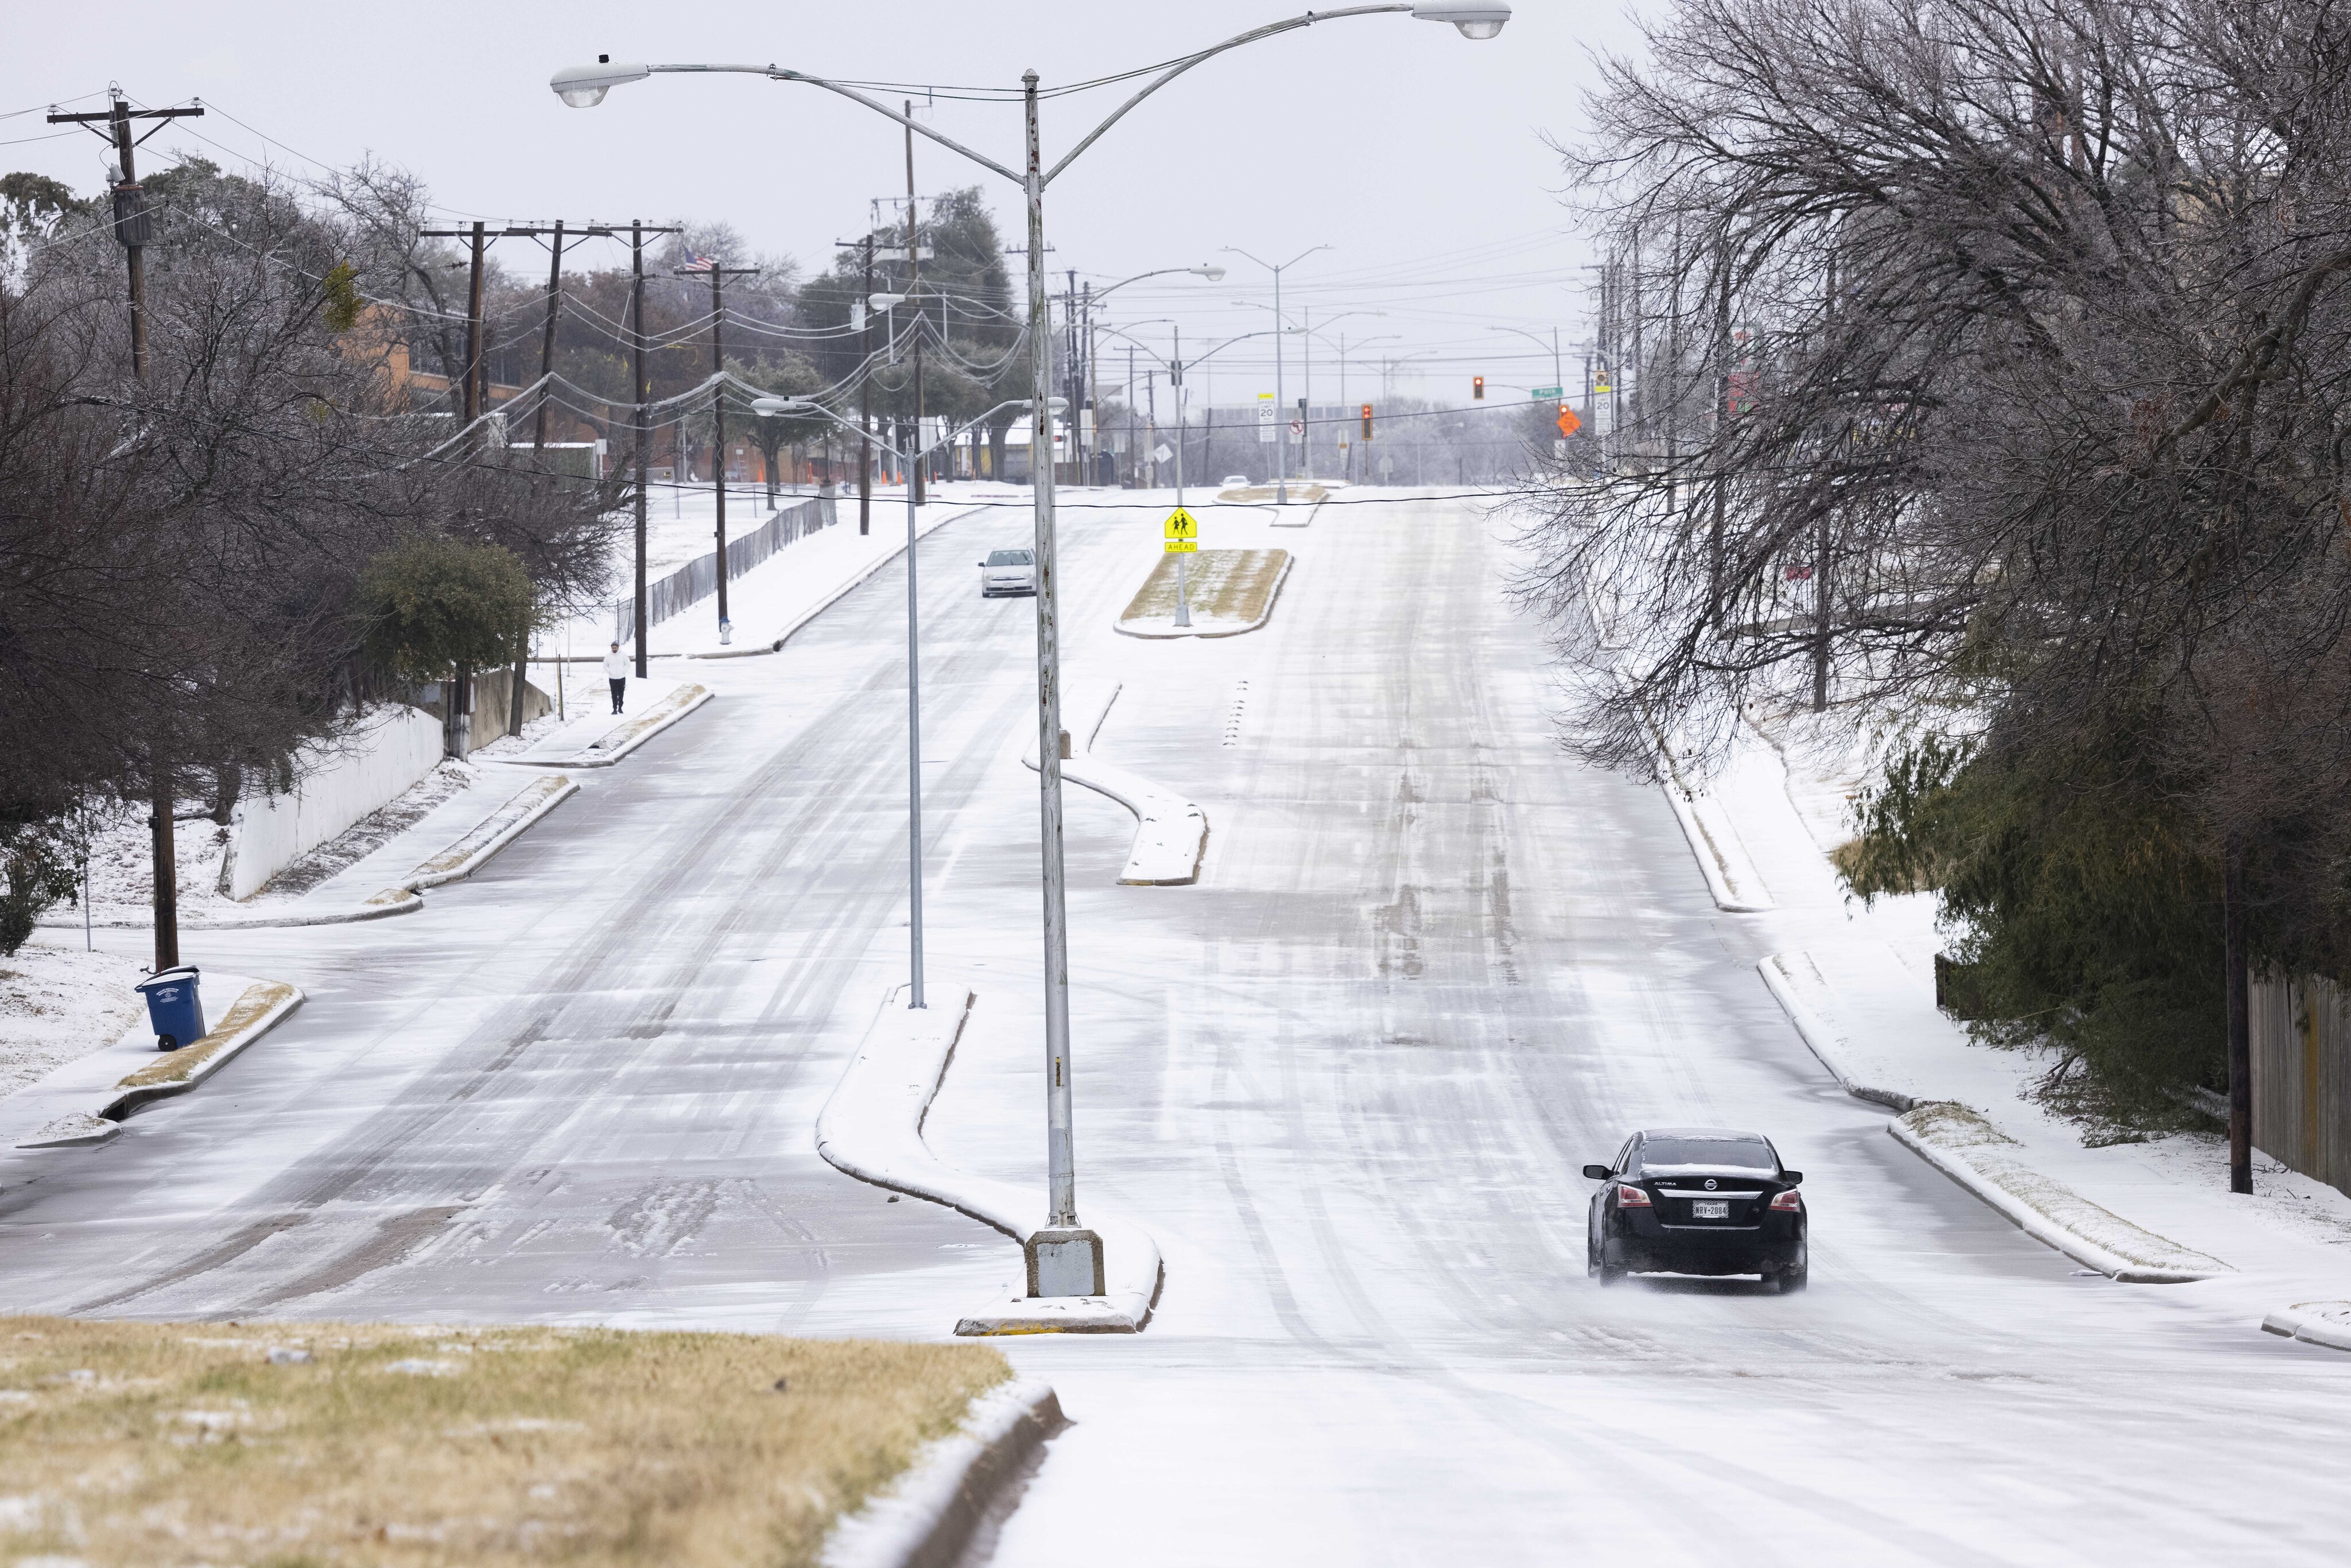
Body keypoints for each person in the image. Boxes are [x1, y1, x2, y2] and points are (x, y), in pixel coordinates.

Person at [603, 641, 629, 714]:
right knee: (614, 694)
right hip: (612, 678)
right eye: (613, 648)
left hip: (621, 677)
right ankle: (615, 709)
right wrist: (610, 671)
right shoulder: (608, 656)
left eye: (615, 648)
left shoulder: (623, 655)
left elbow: (628, 664)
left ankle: (620, 707)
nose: (614, 649)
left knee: (621, 693)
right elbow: (605, 665)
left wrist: (624, 671)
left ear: (618, 648)